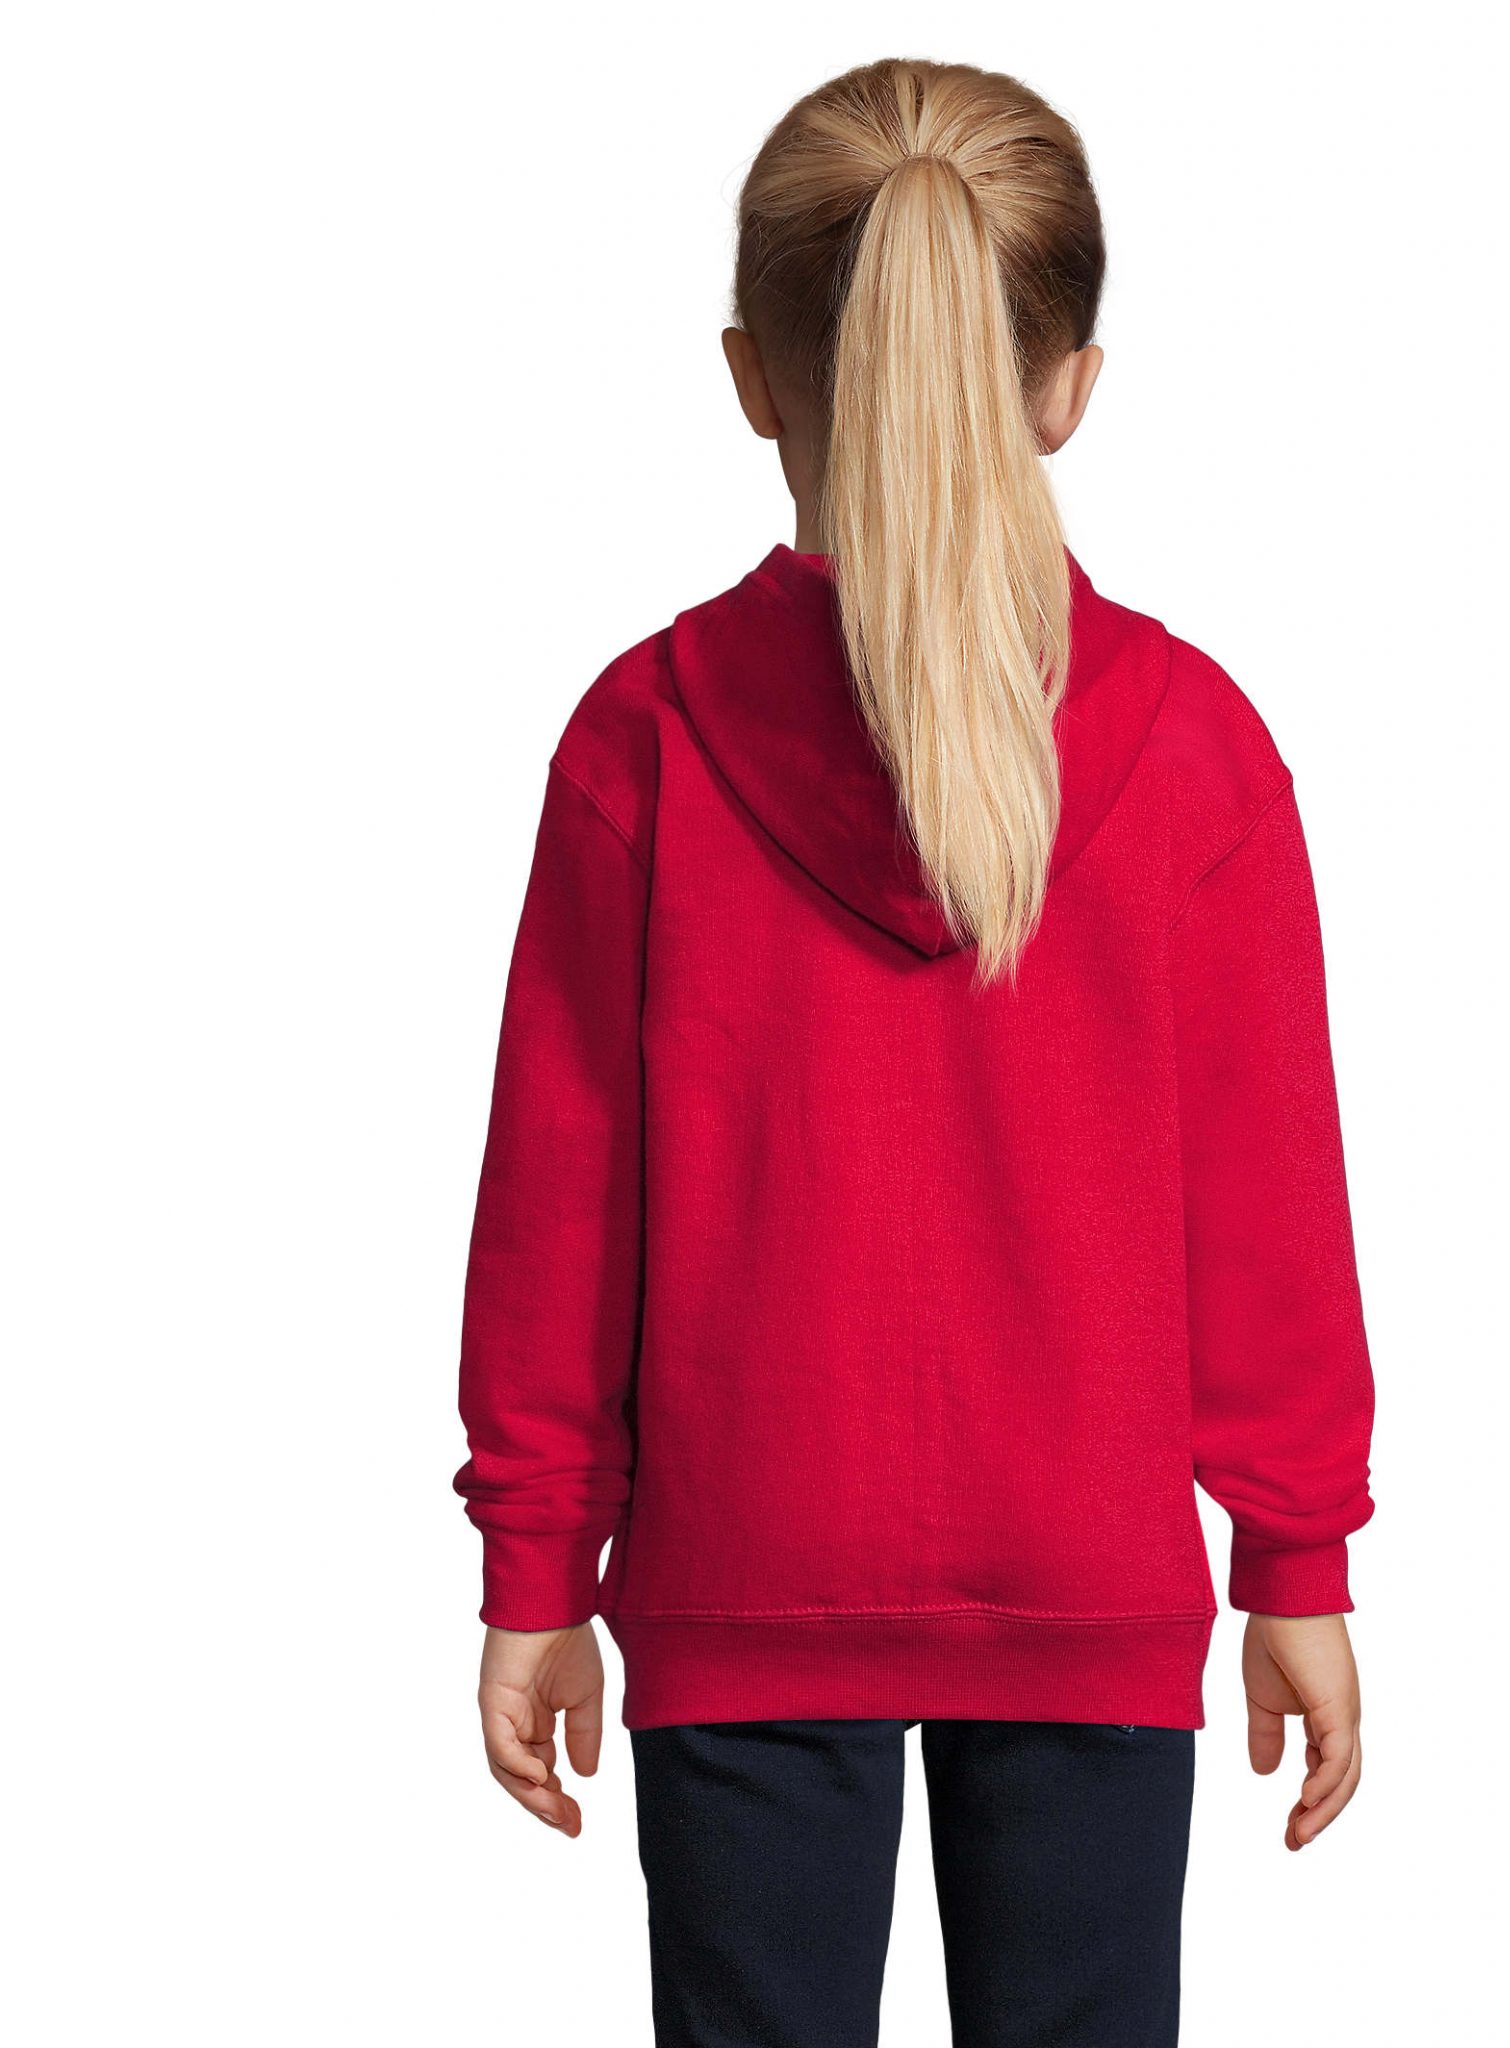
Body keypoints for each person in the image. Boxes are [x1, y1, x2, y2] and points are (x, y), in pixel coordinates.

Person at [454, 56, 1376, 2048]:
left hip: (742, 1558)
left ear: (751, 376)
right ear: (1069, 387)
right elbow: (1265, 1206)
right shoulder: (1192, 748)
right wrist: (1293, 1558)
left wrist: (536, 1568)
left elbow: (558, 1209)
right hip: (1086, 1566)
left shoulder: (644, 741)